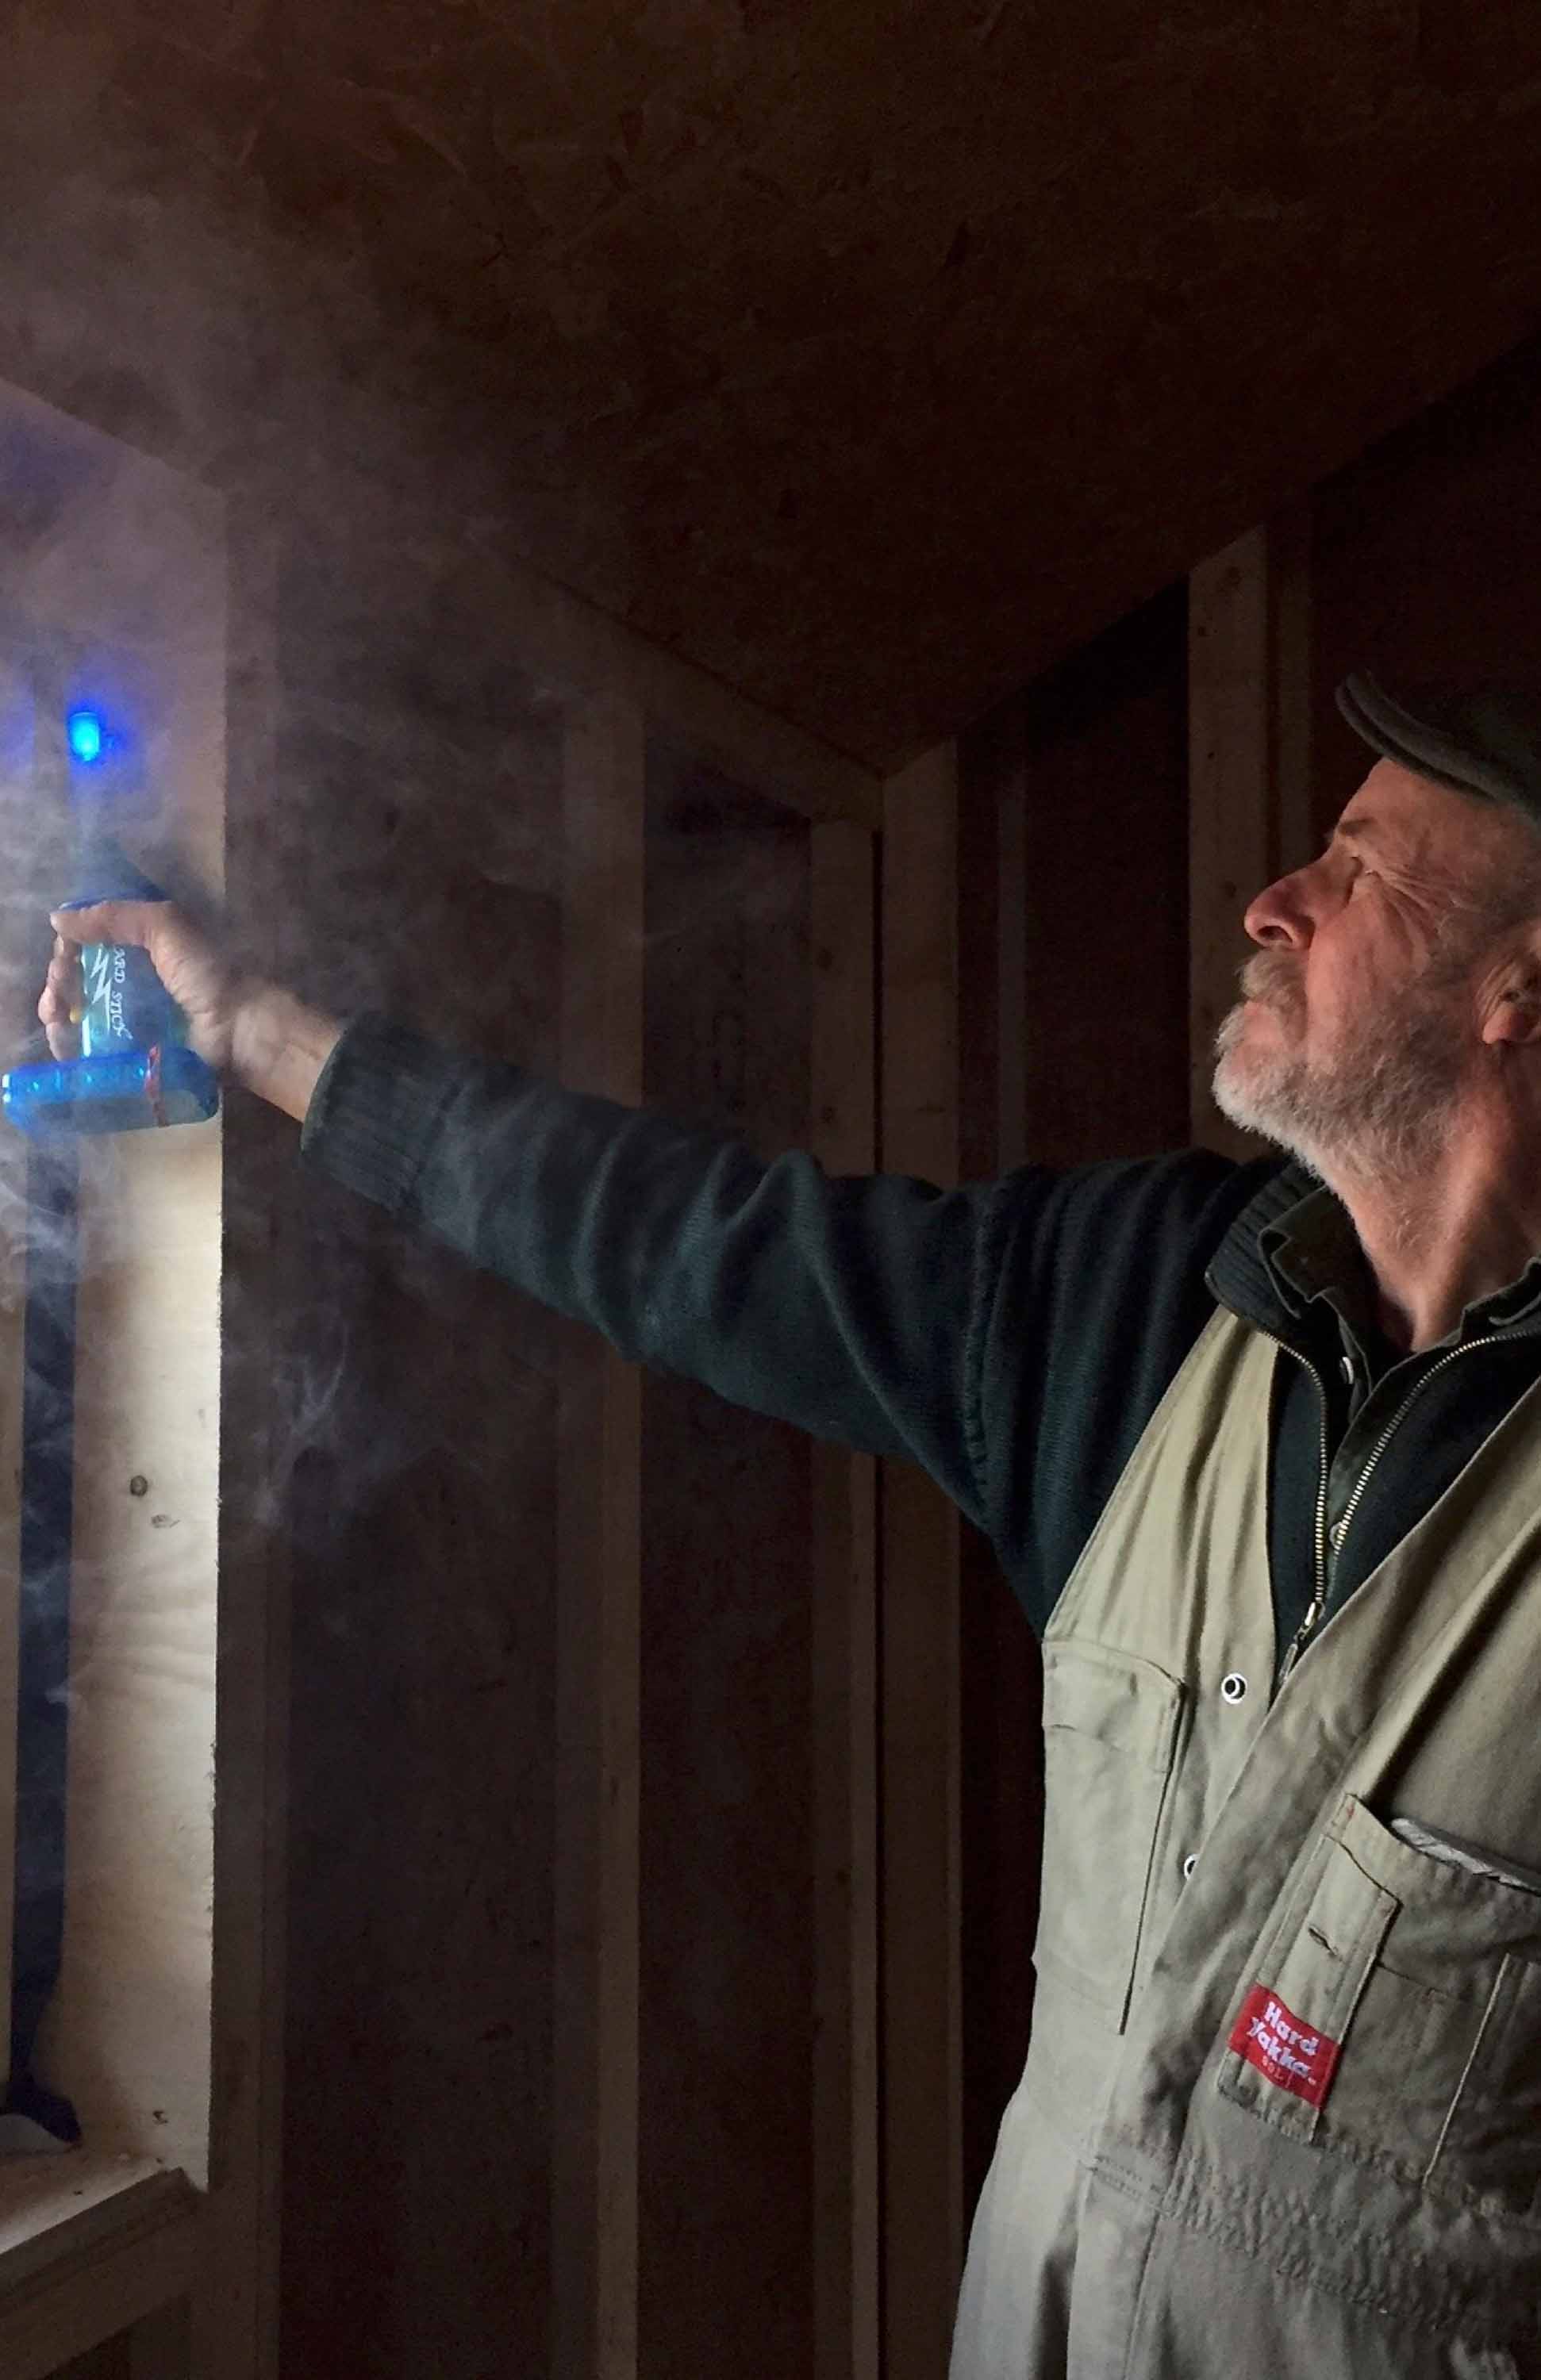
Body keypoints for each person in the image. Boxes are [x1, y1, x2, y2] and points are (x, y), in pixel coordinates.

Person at [43, 672, 1541, 2378]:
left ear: (1521, 982)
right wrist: (256, 1029)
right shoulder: (1137, 1305)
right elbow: (690, 1241)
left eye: (1354, 867)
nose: (1272, 903)